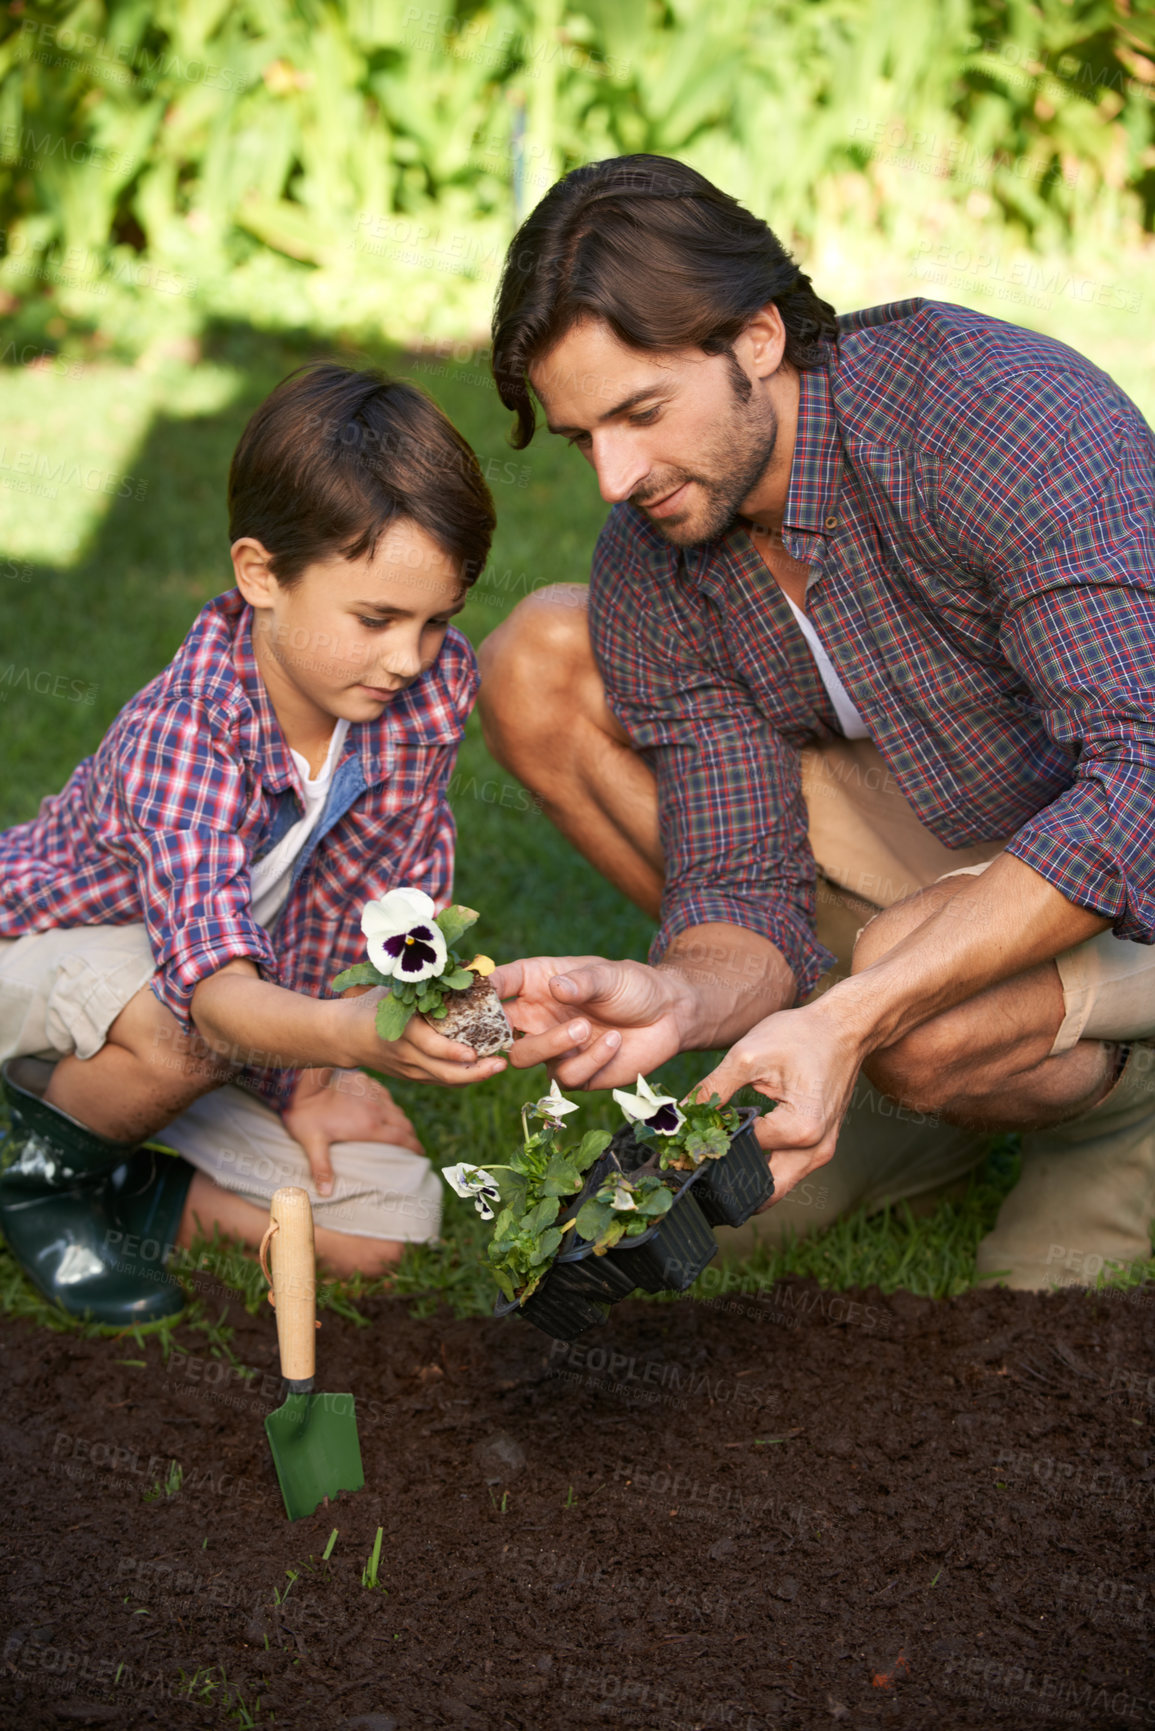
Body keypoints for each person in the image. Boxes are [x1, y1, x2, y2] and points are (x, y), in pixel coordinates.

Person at [479, 153, 1155, 1291]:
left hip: (1127, 833)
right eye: (583, 436)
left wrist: (863, 1009)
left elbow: (1142, 779)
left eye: (641, 414)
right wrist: (680, 994)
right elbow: (740, 881)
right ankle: (902, 1086)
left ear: (756, 338)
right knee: (539, 651)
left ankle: (1114, 1119)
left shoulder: (996, 421)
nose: (612, 477)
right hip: (976, 822)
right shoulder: (660, 551)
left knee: (911, 992)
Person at [0, 362, 508, 1323]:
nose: (409, 657)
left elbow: (376, 894)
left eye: (437, 620)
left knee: (380, 1226)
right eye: (376, 618)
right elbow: (216, 995)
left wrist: (317, 1077)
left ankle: (127, 1185)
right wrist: (343, 1036)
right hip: (44, 966)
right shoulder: (187, 731)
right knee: (186, 1033)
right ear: (260, 573)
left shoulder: (424, 692)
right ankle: (37, 1182)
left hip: (192, 1002)